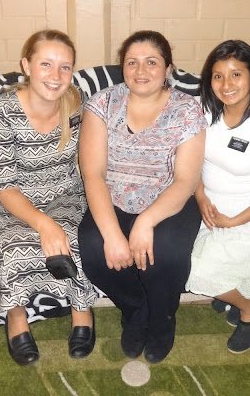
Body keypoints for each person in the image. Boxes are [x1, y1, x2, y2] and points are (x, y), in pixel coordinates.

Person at [78, 30, 206, 364]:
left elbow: (185, 180)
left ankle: (163, 318)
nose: (141, 70)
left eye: (151, 62)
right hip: (114, 197)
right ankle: (135, 310)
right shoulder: (102, 104)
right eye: (132, 62)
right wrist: (112, 236)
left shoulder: (187, 110)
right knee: (94, 249)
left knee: (165, 252)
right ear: (122, 67)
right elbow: (94, 174)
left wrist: (146, 222)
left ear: (168, 69)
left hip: (169, 200)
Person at [0, 29, 97, 365]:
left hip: (67, 195)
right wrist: (44, 225)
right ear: (26, 66)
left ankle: (81, 310)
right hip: (16, 200)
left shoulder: (77, 104)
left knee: (76, 242)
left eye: (65, 67)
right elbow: (6, 187)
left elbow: (93, 158)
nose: (56, 75)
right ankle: (16, 316)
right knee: (11, 248)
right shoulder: (0, 113)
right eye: (46, 64)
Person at [185, 40, 250, 354]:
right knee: (175, 256)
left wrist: (232, 221)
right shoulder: (205, 114)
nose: (226, 84)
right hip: (209, 206)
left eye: (236, 75)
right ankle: (231, 290)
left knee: (196, 271)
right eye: (218, 76)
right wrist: (201, 197)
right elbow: (192, 165)